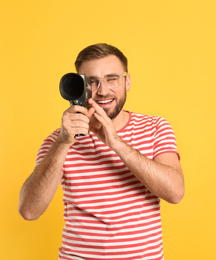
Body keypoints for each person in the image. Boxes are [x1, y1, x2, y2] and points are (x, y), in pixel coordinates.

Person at [19, 43, 184, 260]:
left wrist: (116, 143)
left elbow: (175, 192)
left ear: (128, 81)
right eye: (91, 82)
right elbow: (29, 211)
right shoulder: (58, 141)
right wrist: (63, 143)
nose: (103, 90)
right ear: (79, 87)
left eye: (112, 78)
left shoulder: (156, 127)